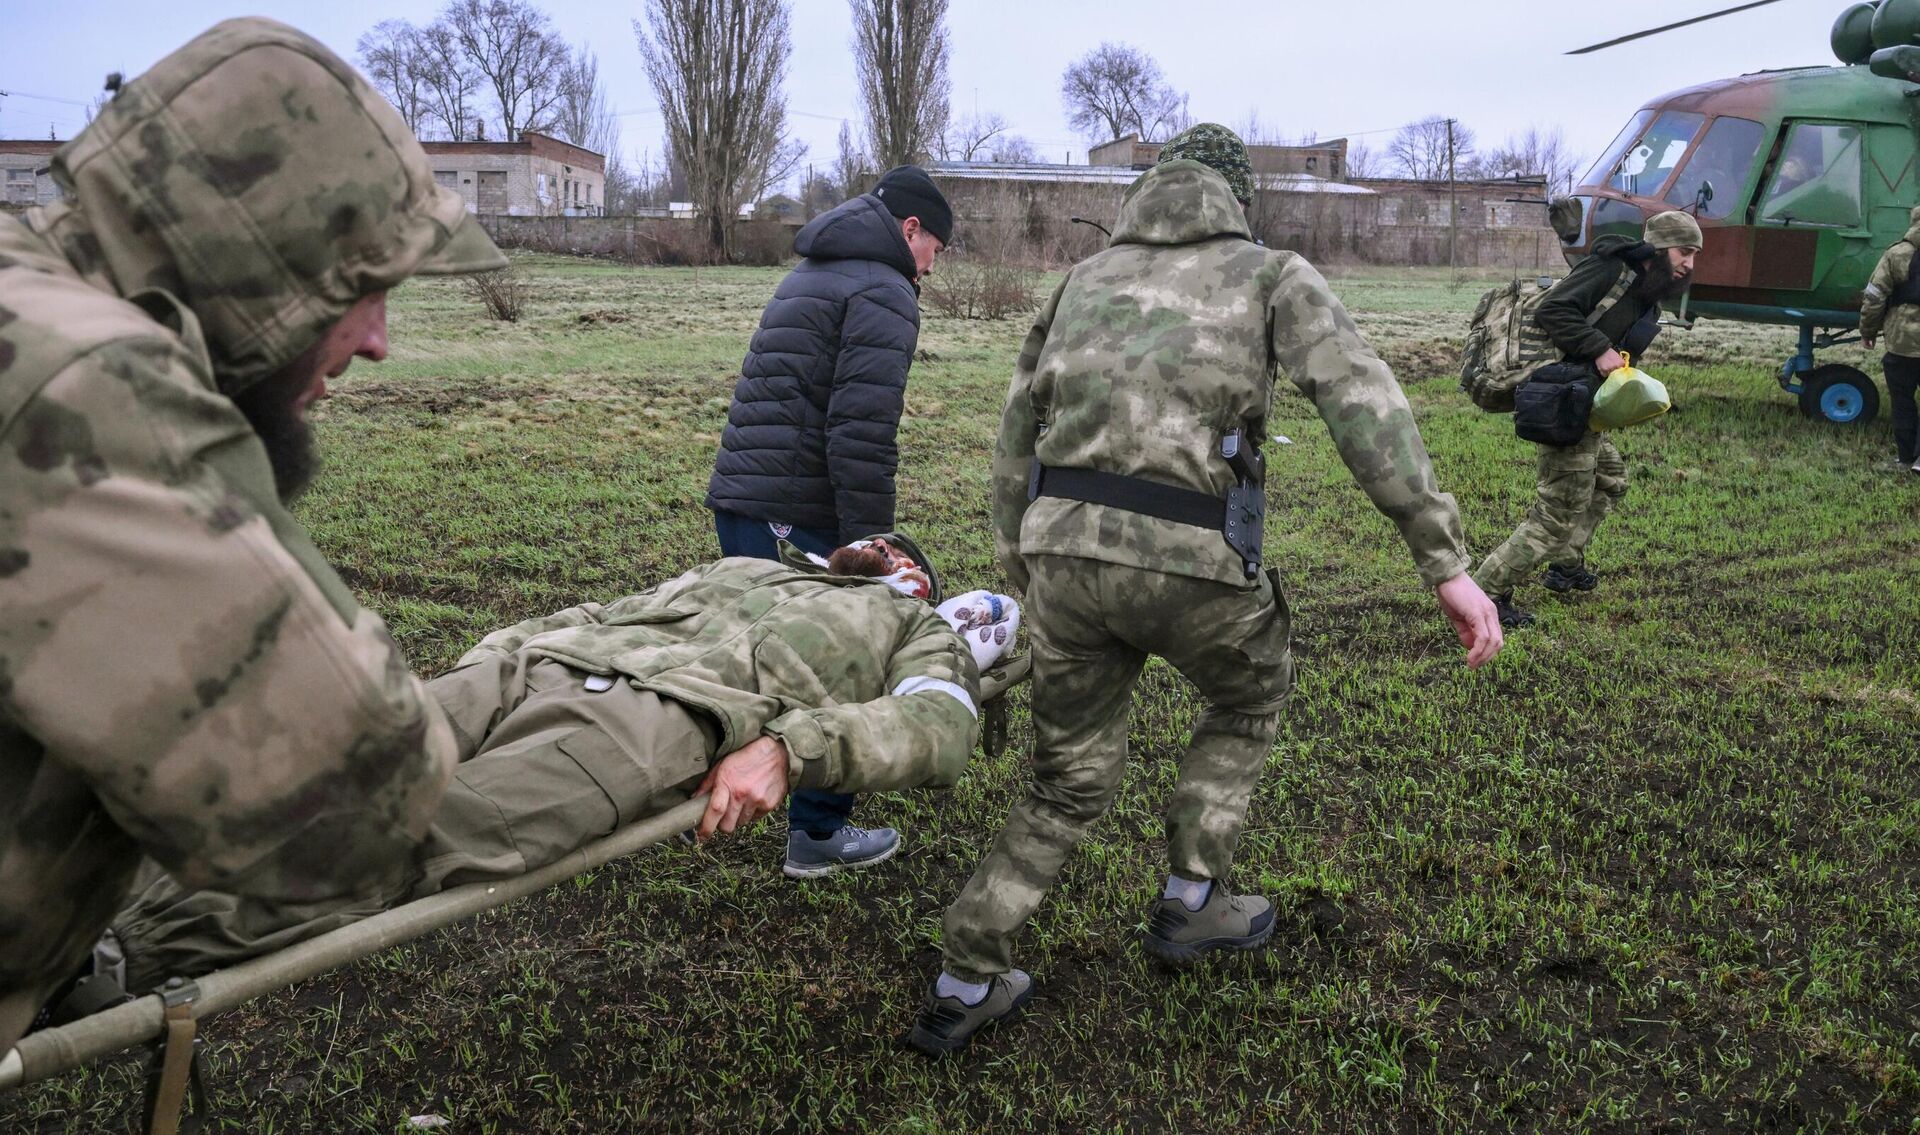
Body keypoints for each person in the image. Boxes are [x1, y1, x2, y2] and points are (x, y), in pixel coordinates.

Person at [908, 124, 1502, 1056]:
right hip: (1197, 564)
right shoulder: (1272, 274)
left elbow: (1014, 435)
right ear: (1235, 199)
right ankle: (1192, 897)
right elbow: (1365, 406)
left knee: (1066, 783)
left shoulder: (1079, 280)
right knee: (1247, 692)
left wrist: (1024, 568)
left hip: (1063, 554)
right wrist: (1447, 563)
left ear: (1146, 191)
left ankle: (965, 973)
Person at [0, 17, 508, 1045]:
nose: (377, 342)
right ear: (249, 272)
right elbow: (353, 805)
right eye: (362, 291)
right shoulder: (79, 384)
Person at [101, 537, 995, 995]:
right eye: (876, 537)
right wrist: (508, 648)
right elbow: (616, 602)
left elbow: (938, 726)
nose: (882, 546)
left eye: (900, 553)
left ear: (915, 582)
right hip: (538, 661)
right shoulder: (747, 564)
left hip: (648, 718)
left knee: (402, 834)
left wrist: (790, 749)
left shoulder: (913, 633)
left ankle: (103, 959)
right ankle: (66, 893)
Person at [705, 165, 954, 877]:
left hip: (748, 497)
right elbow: (861, 433)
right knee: (844, 657)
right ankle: (816, 834)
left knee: (754, 654)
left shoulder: (816, 268)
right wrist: (877, 546)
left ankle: (720, 774)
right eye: (936, 244)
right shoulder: (884, 290)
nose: (934, 264)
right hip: (790, 508)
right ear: (910, 230)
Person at [1474, 208, 1704, 624]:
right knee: (1556, 515)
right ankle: (1485, 594)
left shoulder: (1645, 293)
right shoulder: (1610, 269)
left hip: (1583, 405)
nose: (1690, 263)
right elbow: (1554, 309)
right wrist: (1599, 348)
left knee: (1611, 479)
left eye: (1694, 254)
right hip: (1563, 403)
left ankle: (1565, 566)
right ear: (1660, 247)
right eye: (1684, 252)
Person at [1860, 203, 1920, 473]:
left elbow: (1874, 297)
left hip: (1901, 344)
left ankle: (1906, 459)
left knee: (1903, 401)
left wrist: (1868, 332)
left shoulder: (1896, 254)